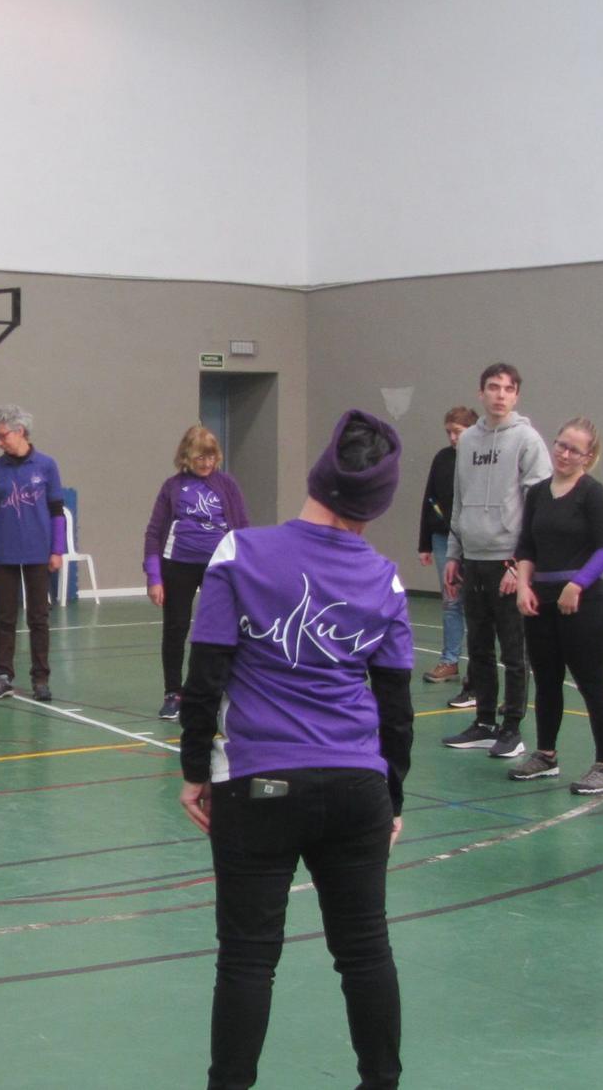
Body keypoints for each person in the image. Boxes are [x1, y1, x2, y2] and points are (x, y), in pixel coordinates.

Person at [178, 409, 413, 1090]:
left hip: (260, 787)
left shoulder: (240, 553)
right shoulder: (387, 578)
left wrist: (196, 770)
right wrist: (390, 797)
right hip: (355, 790)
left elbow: (205, 677)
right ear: (378, 500)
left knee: (248, 958)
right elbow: (396, 712)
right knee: (365, 949)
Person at [441, 362, 551, 759]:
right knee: (480, 647)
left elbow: (538, 507)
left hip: (508, 561)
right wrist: (454, 553)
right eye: (493, 387)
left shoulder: (527, 440)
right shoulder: (468, 440)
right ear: (481, 393)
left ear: (516, 395)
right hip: (473, 558)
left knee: (513, 652)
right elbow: (458, 497)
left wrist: (519, 564)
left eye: (508, 389)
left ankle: (512, 728)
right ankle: (484, 722)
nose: (500, 395)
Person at [510, 419, 603, 793]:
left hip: (582, 605)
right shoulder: (539, 493)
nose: (564, 453)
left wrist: (577, 584)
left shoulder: (594, 495)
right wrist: (524, 586)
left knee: (592, 681)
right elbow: (527, 547)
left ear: (588, 456)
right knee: (545, 680)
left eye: (574, 449)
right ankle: (546, 755)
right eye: (560, 444)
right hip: (540, 602)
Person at [143, 425, 251, 721]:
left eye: (211, 458)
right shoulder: (173, 487)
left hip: (219, 567)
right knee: (175, 629)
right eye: (199, 458)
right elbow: (154, 533)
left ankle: (214, 690)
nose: (206, 464)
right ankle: (173, 693)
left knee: (221, 629)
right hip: (178, 566)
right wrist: (154, 577)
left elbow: (242, 529)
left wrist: (245, 570)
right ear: (186, 457)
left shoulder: (227, 486)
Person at [0, 405, 65, 702]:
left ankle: (41, 678)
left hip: (39, 553)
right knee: (5, 618)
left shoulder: (47, 466)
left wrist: (57, 550)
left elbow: (56, 511)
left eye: (2, 437)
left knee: (39, 618)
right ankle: (3, 676)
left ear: (20, 431)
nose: (0, 443)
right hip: (3, 554)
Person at [418, 406, 479, 699]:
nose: (453, 438)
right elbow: (429, 498)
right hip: (443, 538)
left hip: (474, 540)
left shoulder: (481, 459)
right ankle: (449, 660)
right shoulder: (442, 458)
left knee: (477, 604)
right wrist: (424, 544)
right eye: (449, 432)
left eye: (459, 432)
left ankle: (478, 669)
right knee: (450, 600)